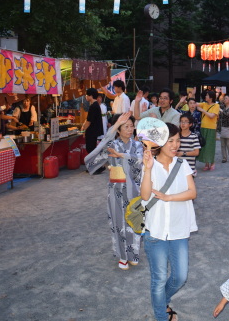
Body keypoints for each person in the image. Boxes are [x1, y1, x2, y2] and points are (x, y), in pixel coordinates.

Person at [140, 123, 197, 321]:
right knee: (159, 279)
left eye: (178, 140)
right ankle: (161, 316)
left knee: (180, 276)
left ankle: (161, 302)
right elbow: (145, 195)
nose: (176, 144)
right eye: (171, 141)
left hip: (179, 230)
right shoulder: (149, 165)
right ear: (160, 143)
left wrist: (168, 197)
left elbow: (192, 192)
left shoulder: (182, 165)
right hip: (155, 231)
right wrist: (147, 170)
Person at [85, 112, 143, 269]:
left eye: (132, 126)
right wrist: (115, 125)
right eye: (125, 126)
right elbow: (92, 157)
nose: (130, 129)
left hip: (135, 190)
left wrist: (122, 155)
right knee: (118, 223)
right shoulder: (111, 146)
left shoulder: (138, 145)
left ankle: (133, 253)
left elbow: (140, 161)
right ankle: (123, 256)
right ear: (118, 129)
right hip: (116, 189)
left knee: (134, 221)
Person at [197, 90, 220, 171]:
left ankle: (212, 162)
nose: (205, 97)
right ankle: (206, 163)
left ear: (211, 97)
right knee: (204, 146)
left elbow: (211, 116)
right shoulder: (204, 104)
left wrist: (203, 110)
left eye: (207, 95)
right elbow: (193, 104)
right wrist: (190, 96)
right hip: (203, 127)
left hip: (211, 128)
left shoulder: (216, 105)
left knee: (210, 146)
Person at [82, 88, 104, 155]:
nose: (86, 97)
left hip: (92, 132)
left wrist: (83, 130)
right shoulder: (95, 105)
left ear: (91, 96)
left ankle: (93, 164)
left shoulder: (93, 106)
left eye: (87, 95)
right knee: (92, 149)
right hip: (94, 131)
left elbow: (89, 121)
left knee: (90, 149)